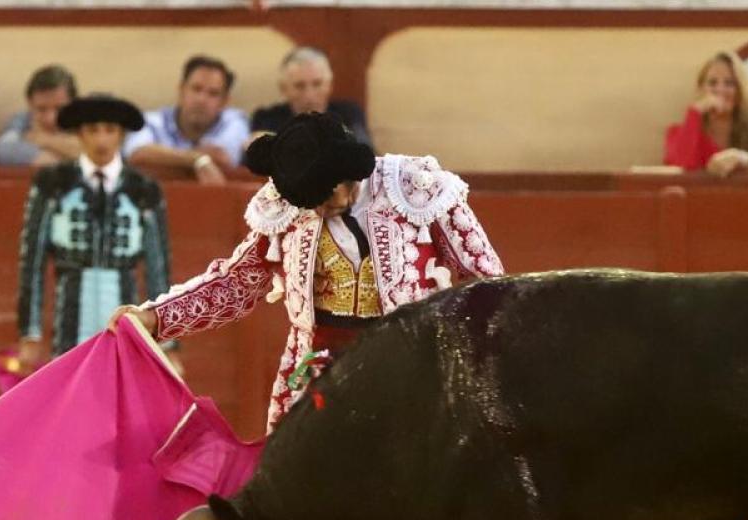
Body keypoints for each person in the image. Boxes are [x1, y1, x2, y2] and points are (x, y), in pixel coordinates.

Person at [111, 112, 503, 431]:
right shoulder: (290, 201)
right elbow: (235, 284)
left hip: (409, 363)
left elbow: (487, 284)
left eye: (324, 197)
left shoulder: (417, 188)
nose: (315, 210)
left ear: (349, 177)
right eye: (306, 202)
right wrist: (155, 318)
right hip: (316, 369)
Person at [16, 94, 176, 375]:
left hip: (125, 313)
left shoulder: (144, 189)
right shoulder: (52, 182)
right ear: (80, 134)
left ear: (122, 136)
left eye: (110, 130)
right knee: (69, 398)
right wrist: (30, 333)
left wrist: (168, 343)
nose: (101, 140)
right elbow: (33, 260)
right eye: (93, 130)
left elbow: (157, 267)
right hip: (68, 318)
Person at [125, 55, 248, 187]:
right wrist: (198, 160)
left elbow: (222, 158)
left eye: (213, 93)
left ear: (225, 101)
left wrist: (164, 158)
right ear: (181, 90)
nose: (201, 100)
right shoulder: (152, 121)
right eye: (196, 89)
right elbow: (137, 155)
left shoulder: (234, 121)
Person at [662, 50, 748, 176]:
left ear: (741, 91)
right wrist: (695, 112)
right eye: (712, 83)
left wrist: (739, 157)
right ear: (701, 88)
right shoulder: (678, 133)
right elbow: (678, 167)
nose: (719, 90)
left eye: (729, 83)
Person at [248, 46, 372, 147]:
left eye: (317, 84)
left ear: (330, 85)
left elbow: (363, 154)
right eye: (299, 86)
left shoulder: (349, 114)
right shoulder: (266, 118)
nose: (309, 95)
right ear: (284, 89)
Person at [0, 64, 81, 167]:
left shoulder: (85, 119)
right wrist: (68, 151)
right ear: (30, 104)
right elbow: (5, 149)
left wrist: (45, 140)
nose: (50, 118)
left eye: (59, 109)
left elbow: (98, 154)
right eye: (41, 109)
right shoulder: (21, 120)